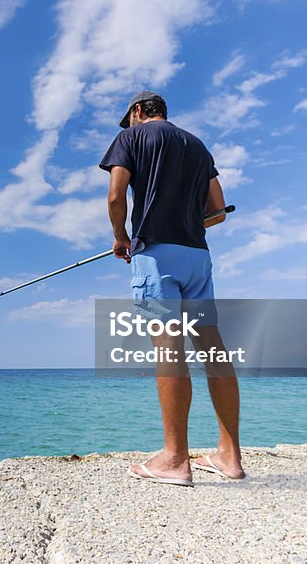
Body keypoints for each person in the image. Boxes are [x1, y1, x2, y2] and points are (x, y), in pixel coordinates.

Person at [99, 90, 245, 486]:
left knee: (168, 347)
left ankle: (175, 459)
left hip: (157, 256)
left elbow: (116, 195)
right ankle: (229, 457)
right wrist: (190, 224)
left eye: (128, 118)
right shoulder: (197, 145)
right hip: (197, 256)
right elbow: (217, 210)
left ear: (138, 111)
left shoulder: (131, 138)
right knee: (212, 348)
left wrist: (120, 237)